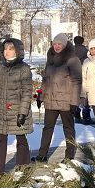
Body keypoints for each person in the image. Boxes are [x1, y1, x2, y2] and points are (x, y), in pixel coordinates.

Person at [34, 33, 82, 162]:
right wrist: (40, 96)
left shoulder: (73, 59)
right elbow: (45, 80)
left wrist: (74, 102)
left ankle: (69, 156)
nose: (56, 46)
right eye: (54, 44)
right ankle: (42, 155)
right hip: (50, 100)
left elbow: (77, 81)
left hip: (66, 101)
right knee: (47, 128)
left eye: (59, 44)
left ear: (65, 45)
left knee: (68, 128)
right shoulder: (50, 59)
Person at [0, 38, 33, 173]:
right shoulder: (1, 67)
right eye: (5, 49)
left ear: (17, 51)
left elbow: (27, 92)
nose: (7, 52)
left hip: (18, 110)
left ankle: (23, 167)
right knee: (0, 139)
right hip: (3, 109)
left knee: (21, 139)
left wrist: (23, 112)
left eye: (11, 49)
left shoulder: (23, 68)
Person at [72, 36, 92, 125]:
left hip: (73, 76)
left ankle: (76, 115)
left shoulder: (70, 52)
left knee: (75, 96)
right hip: (85, 75)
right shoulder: (86, 51)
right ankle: (86, 116)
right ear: (82, 41)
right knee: (86, 96)